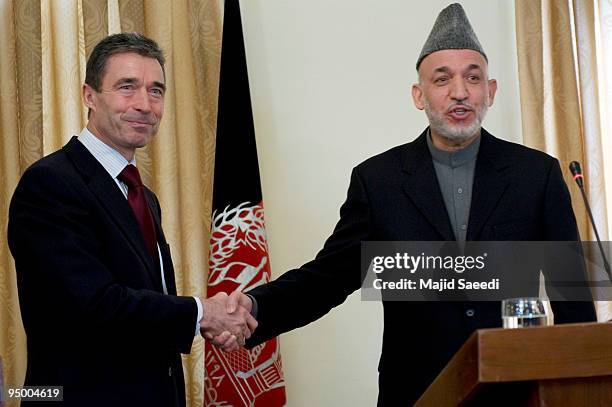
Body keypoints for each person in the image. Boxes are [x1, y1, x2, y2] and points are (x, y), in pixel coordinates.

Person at [215, 3, 597, 405]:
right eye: (442, 79)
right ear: (419, 95)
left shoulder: (538, 175)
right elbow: (327, 279)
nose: (460, 91)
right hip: (417, 391)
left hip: (517, 392)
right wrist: (255, 306)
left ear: (491, 91)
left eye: (473, 77)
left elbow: (571, 296)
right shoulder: (378, 181)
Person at [8, 33, 255, 407]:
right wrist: (203, 313)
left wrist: (214, 316)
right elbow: (93, 306)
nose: (145, 104)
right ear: (90, 95)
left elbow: (148, 301)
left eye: (156, 91)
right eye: (127, 87)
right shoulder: (51, 183)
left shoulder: (143, 196)